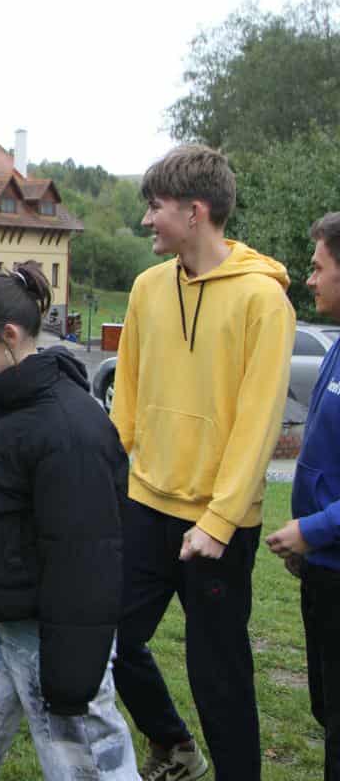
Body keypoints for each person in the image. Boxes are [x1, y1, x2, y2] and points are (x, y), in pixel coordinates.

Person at [110, 145, 295, 781]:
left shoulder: (263, 299)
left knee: (218, 675)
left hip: (220, 527)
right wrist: (105, 477)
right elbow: (126, 399)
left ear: (195, 212)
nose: (146, 220)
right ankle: (173, 745)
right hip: (144, 505)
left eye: (155, 206)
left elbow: (258, 421)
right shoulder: (146, 287)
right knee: (109, 641)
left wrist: (218, 521)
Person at [0, 263, 137, 780]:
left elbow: (86, 561)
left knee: (85, 769)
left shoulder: (71, 431)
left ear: (10, 337)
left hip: (52, 636)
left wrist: (72, 675)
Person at [266, 211, 340, 781]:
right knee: (327, 709)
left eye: (318, 266)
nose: (309, 278)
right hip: (323, 566)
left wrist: (311, 530)